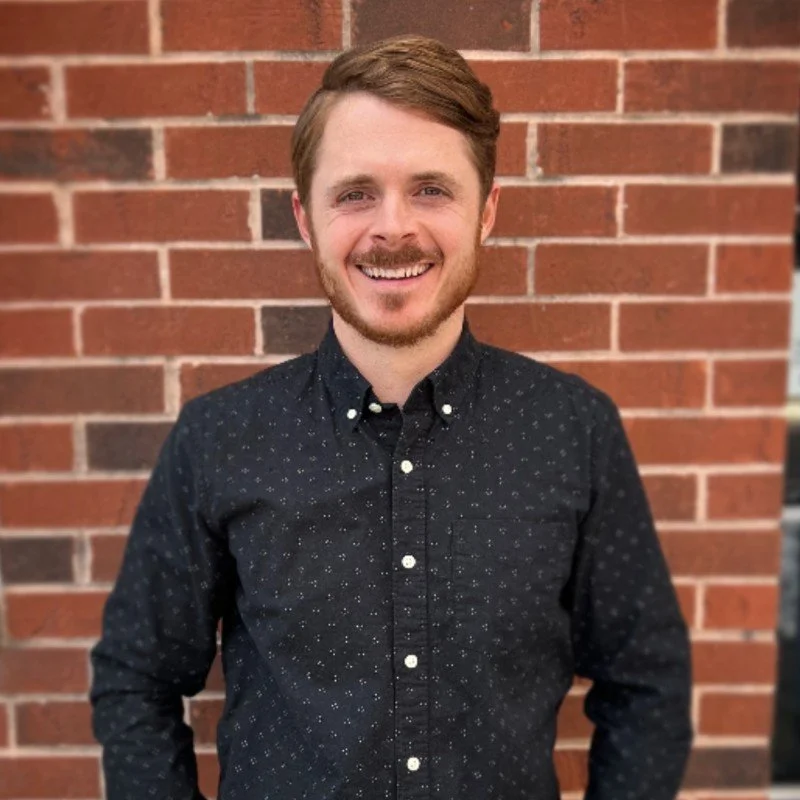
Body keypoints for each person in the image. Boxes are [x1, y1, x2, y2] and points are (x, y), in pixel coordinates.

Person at [90, 34, 692, 800]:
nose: (393, 227)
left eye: (431, 189)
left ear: (487, 212)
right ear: (305, 218)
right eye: (355, 193)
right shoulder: (220, 440)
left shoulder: (573, 432)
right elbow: (136, 679)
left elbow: (647, 684)